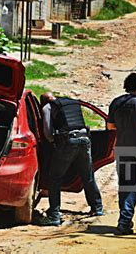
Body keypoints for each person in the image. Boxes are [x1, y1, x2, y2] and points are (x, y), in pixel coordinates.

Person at [38, 92, 104, 226]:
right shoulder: (70, 103)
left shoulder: (47, 108)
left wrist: (53, 144)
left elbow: (48, 134)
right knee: (88, 176)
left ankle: (54, 215)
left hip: (68, 141)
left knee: (55, 177)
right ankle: (97, 208)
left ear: (43, 102)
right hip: (85, 139)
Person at [107, 73, 136, 235]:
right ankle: (124, 220)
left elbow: (110, 127)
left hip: (121, 149)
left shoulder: (116, 103)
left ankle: (125, 220)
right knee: (133, 187)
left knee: (125, 186)